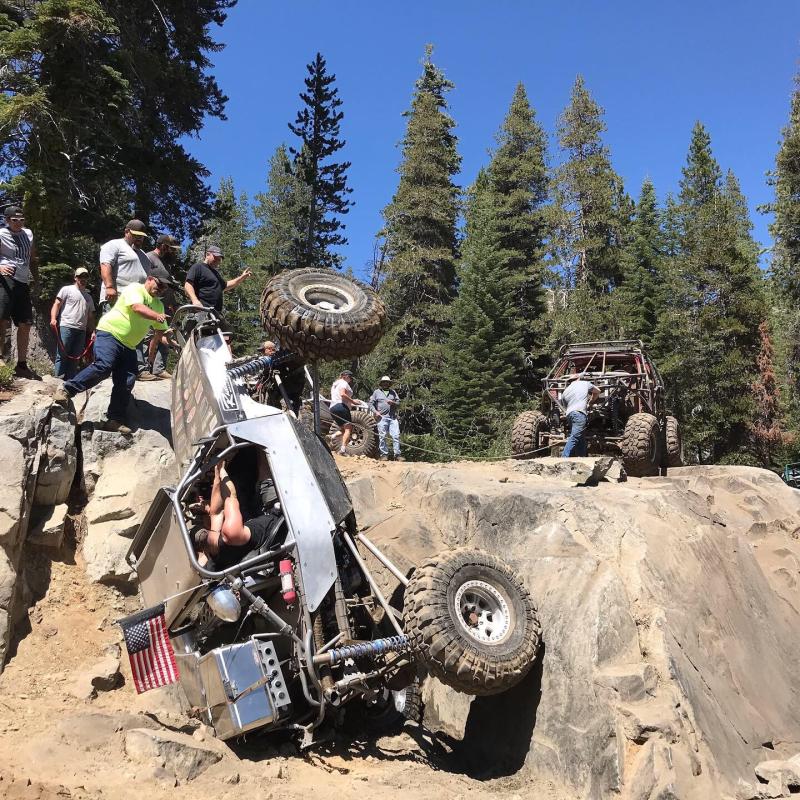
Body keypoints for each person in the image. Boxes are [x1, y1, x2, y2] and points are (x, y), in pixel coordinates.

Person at [56, 265, 176, 433]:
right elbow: (137, 308)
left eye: (165, 287)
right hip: (109, 333)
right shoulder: (136, 289)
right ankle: (67, 389)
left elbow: (161, 332)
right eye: (159, 284)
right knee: (104, 366)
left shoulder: (159, 306)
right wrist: (157, 317)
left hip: (129, 346)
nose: (161, 289)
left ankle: (114, 419)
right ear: (149, 279)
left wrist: (172, 341)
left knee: (127, 379)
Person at [193, 456, 283, 570]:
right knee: (263, 476)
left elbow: (215, 513)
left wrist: (216, 479)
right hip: (277, 522)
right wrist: (221, 471)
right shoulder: (230, 532)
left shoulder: (216, 558)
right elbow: (230, 496)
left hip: (254, 532)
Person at [0, 205, 37, 378]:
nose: (19, 223)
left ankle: (21, 364)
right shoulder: (1, 234)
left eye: (22, 220)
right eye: (15, 220)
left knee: (25, 323)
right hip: (6, 279)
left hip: (23, 281)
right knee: (2, 318)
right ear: (7, 220)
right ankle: (0, 359)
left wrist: (36, 278)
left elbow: (32, 256)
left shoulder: (28, 234)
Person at [144, 234, 182, 380]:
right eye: (171, 249)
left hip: (165, 305)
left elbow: (168, 285)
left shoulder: (165, 263)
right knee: (148, 335)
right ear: (164, 246)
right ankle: (144, 367)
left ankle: (159, 368)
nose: (173, 252)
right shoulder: (149, 257)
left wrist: (173, 303)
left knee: (166, 334)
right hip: (150, 303)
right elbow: (144, 279)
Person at [183, 245, 252, 324]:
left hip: (216, 313)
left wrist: (242, 277)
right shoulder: (198, 267)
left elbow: (226, 285)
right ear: (207, 255)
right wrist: (195, 301)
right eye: (215, 257)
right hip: (201, 310)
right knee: (202, 334)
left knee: (226, 333)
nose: (218, 260)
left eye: (219, 259)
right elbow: (188, 285)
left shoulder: (216, 274)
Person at [50, 267, 95, 380]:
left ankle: (70, 381)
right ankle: (58, 379)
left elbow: (90, 317)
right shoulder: (67, 289)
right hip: (67, 326)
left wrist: (93, 331)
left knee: (75, 357)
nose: (83, 279)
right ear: (75, 277)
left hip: (82, 330)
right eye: (80, 276)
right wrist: (53, 318)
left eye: (85, 277)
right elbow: (57, 304)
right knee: (62, 354)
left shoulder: (88, 297)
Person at [561, 372, 601, 458]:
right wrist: (591, 401)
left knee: (581, 438)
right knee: (575, 436)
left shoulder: (566, 390)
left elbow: (565, 405)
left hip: (569, 414)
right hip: (579, 414)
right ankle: (564, 457)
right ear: (578, 378)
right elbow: (598, 391)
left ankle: (582, 457)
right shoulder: (584, 383)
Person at [329, 369, 366, 456]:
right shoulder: (343, 383)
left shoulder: (335, 384)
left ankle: (332, 436)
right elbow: (342, 394)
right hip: (341, 407)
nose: (351, 379)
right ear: (346, 376)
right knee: (349, 429)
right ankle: (342, 450)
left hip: (332, 408)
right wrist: (353, 401)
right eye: (350, 377)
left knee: (343, 429)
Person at [370, 375, 403, 461]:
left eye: (387, 382)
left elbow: (399, 402)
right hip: (382, 418)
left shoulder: (393, 392)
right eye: (384, 382)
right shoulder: (376, 392)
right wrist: (376, 412)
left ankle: (397, 455)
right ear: (381, 384)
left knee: (396, 436)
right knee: (382, 436)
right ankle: (384, 455)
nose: (385, 384)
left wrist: (393, 403)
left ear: (389, 384)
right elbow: (370, 403)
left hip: (393, 417)